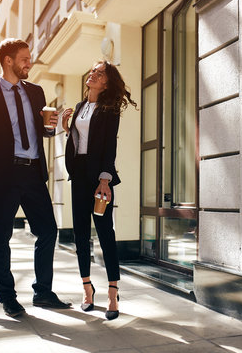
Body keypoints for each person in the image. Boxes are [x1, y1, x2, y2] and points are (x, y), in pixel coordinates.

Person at [0, 38, 71, 317]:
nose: (29, 63)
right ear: (8, 60)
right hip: (5, 175)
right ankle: (8, 297)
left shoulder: (36, 92)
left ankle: (43, 292)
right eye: (24, 58)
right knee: (1, 238)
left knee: (48, 230)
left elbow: (42, 132)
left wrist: (50, 128)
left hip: (34, 173)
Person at [61, 61, 136, 320]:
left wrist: (105, 179)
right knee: (81, 234)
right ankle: (87, 289)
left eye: (99, 72)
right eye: (92, 70)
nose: (92, 73)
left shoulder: (109, 109)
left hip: (98, 179)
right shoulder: (80, 107)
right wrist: (66, 127)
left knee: (105, 233)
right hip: (78, 176)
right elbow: (80, 142)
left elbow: (108, 147)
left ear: (106, 82)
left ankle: (113, 293)